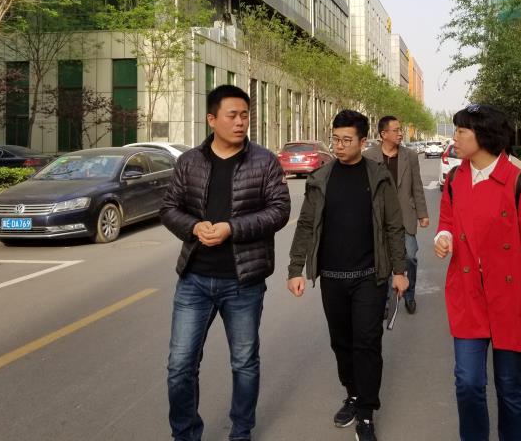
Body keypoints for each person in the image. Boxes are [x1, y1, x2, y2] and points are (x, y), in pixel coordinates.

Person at [160, 84, 291, 441]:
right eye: (232, 115)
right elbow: (169, 208)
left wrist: (232, 228)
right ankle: (185, 434)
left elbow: (279, 210)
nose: (240, 122)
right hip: (195, 279)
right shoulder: (190, 162)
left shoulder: (263, 160)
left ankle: (241, 432)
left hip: (243, 281)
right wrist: (194, 226)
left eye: (245, 115)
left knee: (244, 363)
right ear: (211, 119)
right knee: (180, 365)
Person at [434, 103, 521, 441]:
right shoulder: (456, 179)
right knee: (468, 382)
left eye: (461, 131)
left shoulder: (517, 181)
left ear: (483, 136)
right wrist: (443, 237)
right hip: (468, 294)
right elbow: (447, 220)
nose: (454, 138)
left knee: (510, 384)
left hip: (510, 297)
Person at [287, 109, 408, 441]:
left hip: (370, 276)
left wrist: (400, 270)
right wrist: (295, 269)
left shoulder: (378, 177)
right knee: (341, 342)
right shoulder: (321, 178)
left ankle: (366, 412)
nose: (339, 146)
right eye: (335, 139)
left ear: (362, 141)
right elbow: (306, 225)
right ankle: (353, 394)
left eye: (346, 140)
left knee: (367, 343)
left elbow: (393, 226)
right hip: (332, 277)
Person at [364, 115, 429, 314]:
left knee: (409, 256)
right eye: (397, 130)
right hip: (378, 218)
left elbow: (417, 186)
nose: (401, 133)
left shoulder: (410, 156)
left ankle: (409, 295)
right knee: (381, 260)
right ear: (383, 134)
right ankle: (384, 301)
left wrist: (422, 213)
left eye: (401, 130)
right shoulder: (369, 156)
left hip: (404, 217)